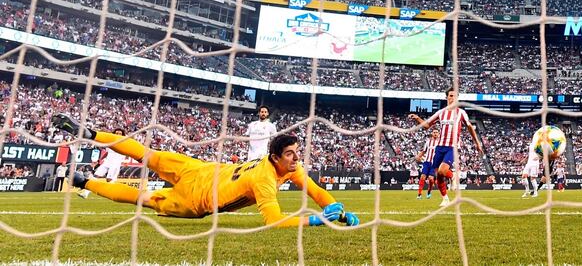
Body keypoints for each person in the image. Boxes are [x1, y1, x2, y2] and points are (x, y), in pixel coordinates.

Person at [52, 113, 359, 228]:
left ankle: (91, 144)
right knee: (142, 197)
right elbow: (275, 221)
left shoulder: (287, 166)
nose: (296, 159)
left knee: (147, 156)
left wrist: (332, 205)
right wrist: (315, 221)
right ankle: (85, 175)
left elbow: (314, 189)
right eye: (291, 155)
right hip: (197, 199)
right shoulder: (265, 178)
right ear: (277, 157)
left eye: (296, 154)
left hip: (200, 171)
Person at [409, 87, 484, 207]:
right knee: (438, 175)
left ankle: (453, 175)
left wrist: (477, 143)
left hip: (451, 147)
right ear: (447, 97)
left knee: (442, 170)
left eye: (455, 96)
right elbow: (427, 125)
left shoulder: (461, 113)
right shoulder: (441, 112)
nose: (452, 98)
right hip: (439, 148)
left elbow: (470, 127)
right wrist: (417, 118)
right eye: (450, 96)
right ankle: (445, 198)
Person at [79, 128, 128, 199]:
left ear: (122, 135)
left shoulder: (123, 142)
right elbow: (107, 152)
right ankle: (85, 193)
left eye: (119, 133)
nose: (117, 135)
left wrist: (126, 161)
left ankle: (115, 194)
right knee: (95, 176)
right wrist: (100, 160)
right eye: (116, 133)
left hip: (115, 164)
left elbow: (128, 152)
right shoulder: (110, 142)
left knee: (109, 180)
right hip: (107, 162)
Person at [414, 129, 439, 200]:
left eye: (436, 132)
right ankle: (419, 194)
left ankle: (429, 191)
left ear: (438, 134)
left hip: (434, 163)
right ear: (432, 133)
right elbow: (424, 151)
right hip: (426, 162)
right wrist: (418, 156)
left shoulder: (440, 143)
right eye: (434, 132)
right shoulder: (428, 142)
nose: (435, 133)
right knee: (422, 177)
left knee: (431, 179)